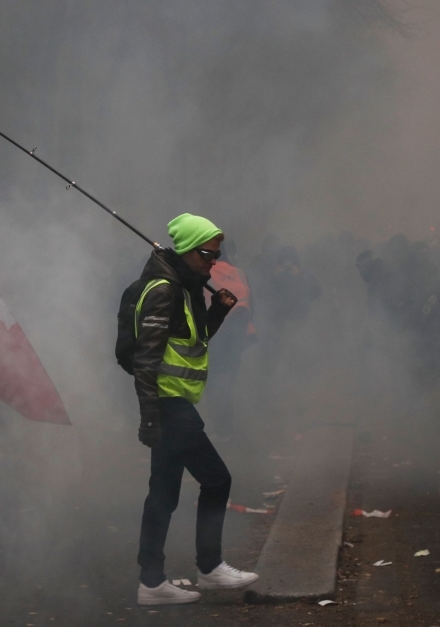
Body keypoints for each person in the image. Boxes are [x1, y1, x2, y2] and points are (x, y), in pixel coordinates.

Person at [132, 213, 259, 606]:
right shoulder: (163, 290)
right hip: (169, 406)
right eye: (207, 254)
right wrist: (150, 416)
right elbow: (146, 358)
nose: (214, 263)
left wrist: (216, 312)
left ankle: (152, 583)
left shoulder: (184, 286)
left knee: (164, 493)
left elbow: (195, 339)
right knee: (217, 479)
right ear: (187, 250)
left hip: (177, 401)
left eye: (217, 254)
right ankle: (209, 567)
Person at [201, 239, 253, 440]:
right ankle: (228, 429)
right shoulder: (240, 273)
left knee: (214, 382)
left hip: (215, 334)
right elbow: (252, 306)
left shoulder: (206, 274)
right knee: (229, 381)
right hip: (239, 335)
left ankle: (220, 428)